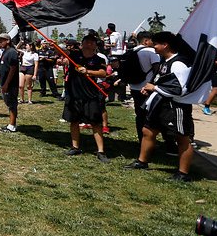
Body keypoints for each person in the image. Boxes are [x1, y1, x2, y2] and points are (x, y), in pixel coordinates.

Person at [124, 31, 196, 181]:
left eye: (155, 43)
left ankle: (183, 173)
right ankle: (142, 162)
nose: (153, 46)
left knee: (182, 138)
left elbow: (179, 88)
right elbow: (162, 81)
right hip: (160, 104)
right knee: (148, 130)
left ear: (165, 45)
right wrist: (151, 86)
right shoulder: (165, 61)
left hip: (176, 106)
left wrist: (154, 88)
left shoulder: (178, 63)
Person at [60, 33, 110, 163]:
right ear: (82, 43)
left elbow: (103, 73)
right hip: (74, 93)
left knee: (96, 122)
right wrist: (54, 46)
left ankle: (100, 151)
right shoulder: (74, 56)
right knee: (74, 120)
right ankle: (75, 147)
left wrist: (87, 71)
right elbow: (62, 54)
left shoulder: (99, 59)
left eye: (93, 42)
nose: (90, 44)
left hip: (90, 94)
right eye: (87, 41)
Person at [114, 31, 160, 142]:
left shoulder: (131, 51)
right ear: (146, 41)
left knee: (139, 115)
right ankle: (149, 140)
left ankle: (141, 139)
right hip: (147, 88)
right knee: (151, 115)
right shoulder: (151, 52)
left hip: (134, 87)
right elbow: (157, 69)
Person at [0, 33, 20, 133]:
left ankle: (12, 125)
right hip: (4, 82)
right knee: (9, 103)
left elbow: (13, 69)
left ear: (8, 41)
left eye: (2, 40)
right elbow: (3, 68)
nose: (0, 42)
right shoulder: (5, 52)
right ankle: (11, 123)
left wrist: (6, 83)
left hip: (11, 84)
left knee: (12, 104)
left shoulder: (11, 52)